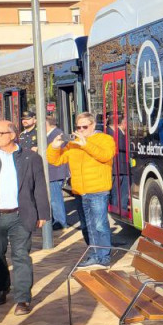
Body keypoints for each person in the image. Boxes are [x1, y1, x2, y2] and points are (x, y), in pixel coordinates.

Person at [0, 120, 50, 314]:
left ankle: (22, 299)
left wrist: (43, 213)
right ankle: (2, 288)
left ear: (12, 135)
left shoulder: (30, 158)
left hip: (21, 215)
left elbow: (39, 186)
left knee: (21, 256)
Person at [48, 112, 116, 266]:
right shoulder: (73, 143)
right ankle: (93, 254)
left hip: (98, 189)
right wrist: (54, 146)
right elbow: (55, 160)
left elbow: (106, 155)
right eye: (78, 127)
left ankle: (103, 256)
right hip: (79, 190)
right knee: (86, 226)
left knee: (99, 225)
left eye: (84, 126)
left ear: (93, 125)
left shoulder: (105, 139)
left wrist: (86, 144)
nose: (81, 130)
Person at [46, 115, 70, 231]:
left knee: (56, 198)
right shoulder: (50, 134)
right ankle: (57, 220)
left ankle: (60, 221)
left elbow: (64, 152)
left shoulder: (58, 134)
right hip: (51, 171)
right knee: (53, 198)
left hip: (55, 171)